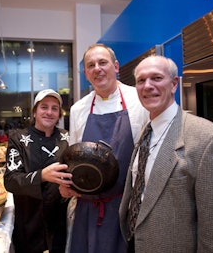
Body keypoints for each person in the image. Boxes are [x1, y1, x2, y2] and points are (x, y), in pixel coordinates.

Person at [119, 55, 213, 252]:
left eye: (157, 78)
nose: (147, 86)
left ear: (174, 84)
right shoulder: (146, 131)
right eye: (141, 80)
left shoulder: (209, 140)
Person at [59, 44, 148, 253]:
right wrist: (65, 185)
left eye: (103, 62)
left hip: (126, 207)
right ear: (85, 73)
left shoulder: (139, 100)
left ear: (116, 66)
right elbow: (73, 158)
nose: (97, 68)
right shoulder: (78, 109)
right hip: (87, 206)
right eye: (91, 65)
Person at [3, 89, 73, 253]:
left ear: (59, 113)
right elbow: (11, 180)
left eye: (54, 108)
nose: (49, 112)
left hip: (60, 221)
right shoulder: (18, 139)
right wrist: (42, 175)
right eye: (44, 107)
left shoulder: (68, 138)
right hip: (29, 221)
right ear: (35, 111)